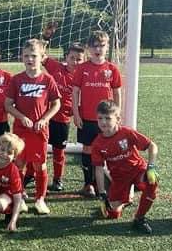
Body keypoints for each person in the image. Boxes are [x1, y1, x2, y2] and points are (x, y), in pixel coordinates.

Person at [4, 39, 61, 215]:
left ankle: (40, 199)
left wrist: (44, 119)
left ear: (42, 57)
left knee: (39, 165)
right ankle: (19, 197)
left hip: (39, 131)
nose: (30, 59)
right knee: (19, 163)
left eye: (34, 56)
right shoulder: (16, 80)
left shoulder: (47, 79)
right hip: (21, 131)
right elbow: (8, 105)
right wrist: (21, 117)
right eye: (26, 55)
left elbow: (56, 104)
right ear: (22, 57)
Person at [92, 100, 159, 235]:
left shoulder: (127, 133)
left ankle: (139, 218)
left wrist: (151, 167)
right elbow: (98, 169)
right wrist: (102, 193)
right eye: (100, 118)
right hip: (119, 178)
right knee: (112, 214)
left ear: (117, 119)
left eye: (107, 118)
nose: (103, 122)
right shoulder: (97, 144)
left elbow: (152, 146)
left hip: (137, 170)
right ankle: (123, 200)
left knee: (152, 181)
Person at [72, 30, 122, 198]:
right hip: (87, 117)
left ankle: (109, 181)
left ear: (107, 47)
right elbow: (75, 92)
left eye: (101, 46)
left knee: (107, 148)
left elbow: (116, 93)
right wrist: (76, 114)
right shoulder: (82, 68)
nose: (98, 49)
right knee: (87, 148)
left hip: (107, 119)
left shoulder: (111, 69)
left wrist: (117, 113)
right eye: (94, 46)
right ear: (88, 48)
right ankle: (88, 184)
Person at [44, 42, 85, 192]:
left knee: (58, 150)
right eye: (72, 58)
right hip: (45, 116)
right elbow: (41, 56)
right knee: (38, 146)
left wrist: (77, 113)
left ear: (84, 59)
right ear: (66, 57)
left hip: (63, 119)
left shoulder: (82, 76)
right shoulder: (56, 67)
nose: (75, 62)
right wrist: (46, 38)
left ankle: (58, 179)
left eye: (79, 59)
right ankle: (31, 174)